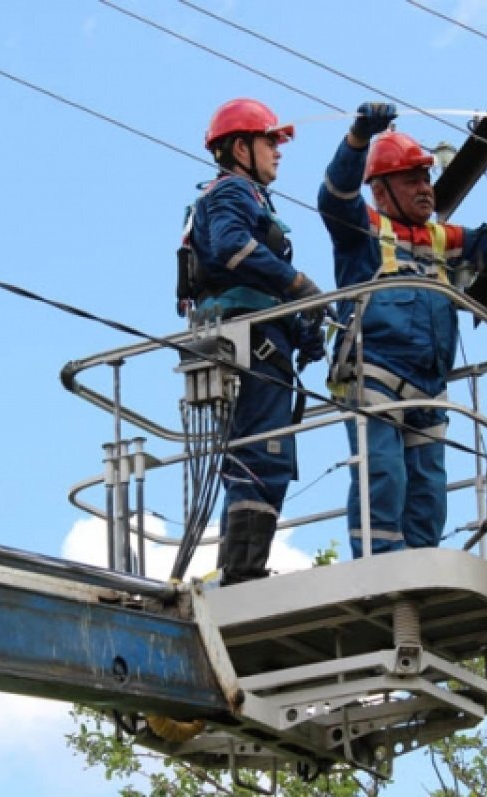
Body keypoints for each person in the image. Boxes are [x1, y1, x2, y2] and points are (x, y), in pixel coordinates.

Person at [318, 102, 487, 559]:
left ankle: (419, 563)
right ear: (381, 192)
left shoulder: (440, 240)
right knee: (383, 471)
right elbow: (334, 198)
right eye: (412, 180)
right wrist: (358, 140)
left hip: (427, 382)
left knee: (428, 487)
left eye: (426, 178)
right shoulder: (364, 231)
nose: (426, 189)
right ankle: (380, 565)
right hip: (375, 372)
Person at [185, 98, 325, 584]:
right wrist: (295, 285)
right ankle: (242, 573)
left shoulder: (250, 196)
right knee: (260, 453)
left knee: (268, 455)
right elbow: (229, 246)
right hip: (253, 339)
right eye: (270, 141)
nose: (278, 152)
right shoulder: (232, 193)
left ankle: (246, 568)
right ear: (239, 147)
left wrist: (306, 326)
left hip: (264, 337)